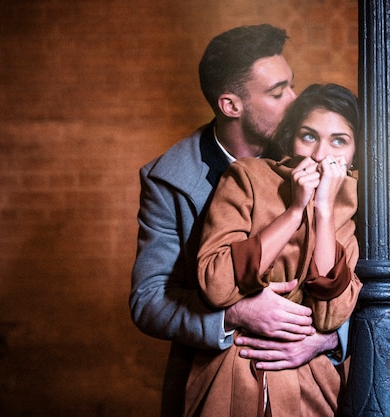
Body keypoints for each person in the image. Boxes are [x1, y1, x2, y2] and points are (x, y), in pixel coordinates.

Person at [130, 25, 348, 417]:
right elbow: (148, 300)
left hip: (307, 385)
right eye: (278, 92)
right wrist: (234, 314)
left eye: (292, 85)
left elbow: (369, 280)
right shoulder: (169, 180)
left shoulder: (314, 155)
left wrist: (325, 339)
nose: (296, 100)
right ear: (231, 105)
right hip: (213, 384)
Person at [186, 83, 362, 417]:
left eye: (339, 141)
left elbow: (329, 316)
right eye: (309, 136)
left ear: (354, 152)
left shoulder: (349, 205)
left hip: (309, 386)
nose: (321, 155)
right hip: (231, 370)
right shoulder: (247, 177)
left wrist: (323, 209)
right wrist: (295, 210)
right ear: (291, 136)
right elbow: (216, 285)